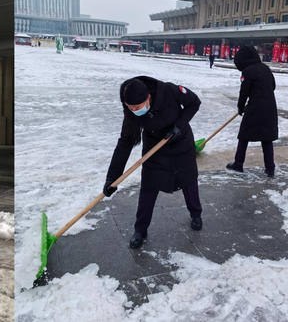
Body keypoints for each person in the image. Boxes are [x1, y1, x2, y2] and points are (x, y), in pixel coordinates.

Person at [104, 76, 202, 249]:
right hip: (155, 147)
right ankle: (140, 229)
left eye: (138, 107)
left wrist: (178, 125)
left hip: (181, 141)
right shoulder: (131, 112)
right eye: (130, 107)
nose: (134, 110)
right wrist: (112, 179)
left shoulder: (170, 91)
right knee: (149, 186)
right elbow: (124, 143)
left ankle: (196, 213)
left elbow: (194, 102)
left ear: (148, 97)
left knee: (188, 180)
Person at [226, 46, 278, 177]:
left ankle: (238, 164)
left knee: (244, 136)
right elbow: (273, 85)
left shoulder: (248, 71)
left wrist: (240, 107)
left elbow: (244, 92)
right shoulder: (265, 68)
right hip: (270, 106)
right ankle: (270, 168)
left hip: (255, 107)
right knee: (267, 138)